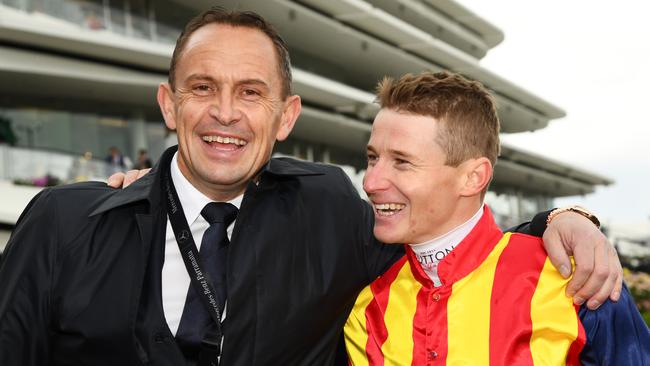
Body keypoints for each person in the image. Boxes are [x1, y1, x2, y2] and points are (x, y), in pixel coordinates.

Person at [0, 8, 622, 366]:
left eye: (251, 92)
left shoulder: (326, 206)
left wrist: (563, 221)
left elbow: (447, 247)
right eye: (201, 88)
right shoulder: (66, 220)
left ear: (286, 116)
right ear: (169, 104)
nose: (224, 113)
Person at [343, 72, 650, 365]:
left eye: (402, 162)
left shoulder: (577, 277)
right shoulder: (367, 309)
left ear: (473, 178)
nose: (371, 182)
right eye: (373, 158)